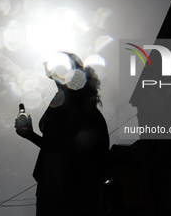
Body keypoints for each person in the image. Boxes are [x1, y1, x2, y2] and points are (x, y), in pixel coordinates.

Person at [15, 52, 110, 216]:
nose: (49, 71)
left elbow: (64, 150)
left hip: (67, 192)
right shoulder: (66, 100)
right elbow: (56, 147)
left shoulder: (73, 105)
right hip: (57, 188)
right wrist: (30, 135)